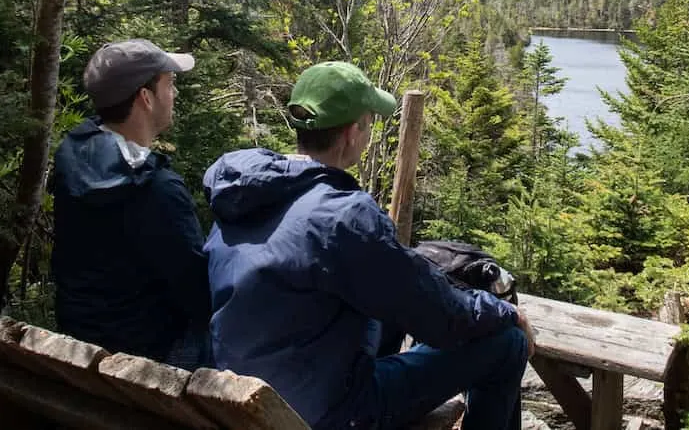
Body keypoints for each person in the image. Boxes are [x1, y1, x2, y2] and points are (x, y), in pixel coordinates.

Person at [204, 61, 533, 430]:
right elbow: (442, 318)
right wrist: (505, 312)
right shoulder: (342, 215)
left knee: (384, 314)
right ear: (351, 134)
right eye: (369, 122)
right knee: (506, 345)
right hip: (325, 411)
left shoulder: (245, 192)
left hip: (242, 394)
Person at [49, 39, 210, 370]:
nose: (175, 94)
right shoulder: (157, 190)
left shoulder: (72, 160)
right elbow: (201, 297)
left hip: (82, 349)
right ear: (145, 98)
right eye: (170, 84)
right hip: (145, 361)